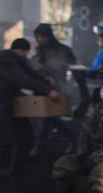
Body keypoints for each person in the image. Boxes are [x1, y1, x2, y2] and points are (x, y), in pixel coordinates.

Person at [0, 38, 59, 175]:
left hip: (12, 102)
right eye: (25, 52)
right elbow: (21, 78)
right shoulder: (5, 61)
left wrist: (44, 79)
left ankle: (18, 167)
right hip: (2, 104)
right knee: (6, 138)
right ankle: (3, 168)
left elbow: (30, 73)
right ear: (20, 50)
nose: (26, 55)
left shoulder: (16, 61)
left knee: (25, 135)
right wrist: (46, 90)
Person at [31, 23, 79, 156]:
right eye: (38, 37)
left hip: (56, 87)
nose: (40, 40)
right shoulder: (40, 51)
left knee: (46, 119)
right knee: (48, 119)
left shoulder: (63, 50)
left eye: (42, 37)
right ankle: (73, 140)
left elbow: (72, 65)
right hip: (43, 88)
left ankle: (40, 147)